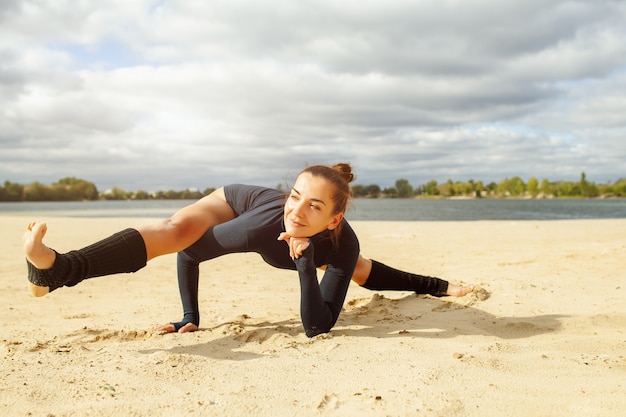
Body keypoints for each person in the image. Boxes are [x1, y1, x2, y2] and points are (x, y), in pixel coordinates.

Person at [24, 163, 472, 337]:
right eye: (294, 195)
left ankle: (436, 284)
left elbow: (317, 327)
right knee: (177, 231)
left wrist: (304, 260)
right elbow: (188, 254)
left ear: (334, 219)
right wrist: (189, 315)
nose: (296, 211)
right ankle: (58, 268)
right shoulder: (263, 224)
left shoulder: (342, 242)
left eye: (313, 206)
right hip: (234, 202)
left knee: (357, 267)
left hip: (325, 252)